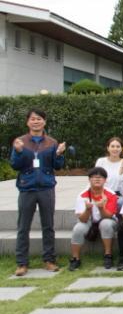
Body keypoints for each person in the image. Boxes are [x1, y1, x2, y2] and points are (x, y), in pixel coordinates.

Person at [10, 108, 65, 277]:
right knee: (23, 226)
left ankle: (49, 260)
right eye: (33, 119)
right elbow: (15, 165)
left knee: (48, 225)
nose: (36, 122)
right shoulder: (20, 142)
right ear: (28, 122)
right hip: (27, 187)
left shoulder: (52, 142)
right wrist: (18, 152)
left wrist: (59, 154)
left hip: (46, 188)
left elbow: (57, 166)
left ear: (44, 122)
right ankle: (22, 263)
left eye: (39, 119)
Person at [69, 167, 118, 271]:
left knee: (106, 224)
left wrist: (101, 208)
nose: (97, 179)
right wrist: (87, 209)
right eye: (94, 177)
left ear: (105, 180)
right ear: (89, 179)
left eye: (100, 177)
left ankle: (108, 255)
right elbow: (82, 219)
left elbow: (109, 216)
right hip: (88, 220)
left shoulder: (111, 194)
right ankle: (75, 258)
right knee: (78, 228)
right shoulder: (82, 195)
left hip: (107, 219)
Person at [94, 137, 123, 207]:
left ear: (121, 149)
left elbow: (121, 178)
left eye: (118, 146)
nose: (115, 149)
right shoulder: (101, 161)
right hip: (101, 193)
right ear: (108, 148)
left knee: (120, 203)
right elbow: (95, 179)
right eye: (112, 146)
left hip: (117, 195)